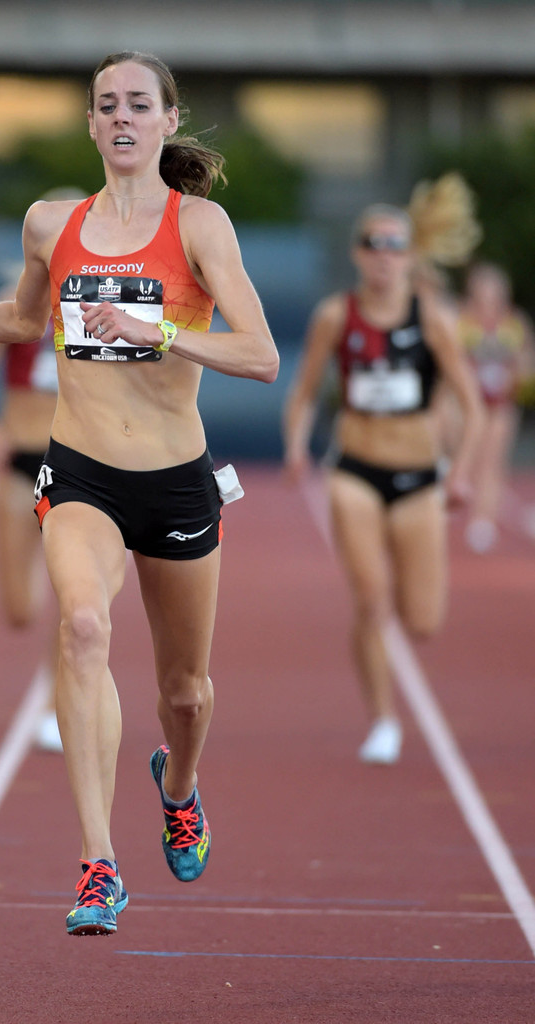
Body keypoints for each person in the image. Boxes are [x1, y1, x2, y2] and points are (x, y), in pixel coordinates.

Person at [0, 51, 279, 936]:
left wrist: (157, 326)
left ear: (167, 121)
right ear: (91, 125)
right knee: (83, 626)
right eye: (106, 105)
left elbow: (260, 356)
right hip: (81, 469)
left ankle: (179, 786)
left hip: (176, 480)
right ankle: (99, 865)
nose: (122, 117)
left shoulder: (200, 226)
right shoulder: (51, 223)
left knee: (188, 692)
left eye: (139, 103)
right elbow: (25, 319)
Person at [283, 177, 485, 767]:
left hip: (420, 475)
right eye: (374, 244)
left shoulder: (434, 318)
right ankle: (383, 719)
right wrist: (297, 445)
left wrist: (463, 472)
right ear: (357, 253)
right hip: (355, 470)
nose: (384, 255)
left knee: (422, 620)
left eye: (395, 245)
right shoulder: (335, 316)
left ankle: (406, 588)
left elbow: (471, 405)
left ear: (410, 256)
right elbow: (301, 393)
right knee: (370, 600)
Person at [0, 193, 85, 753]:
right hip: (18, 464)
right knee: (19, 610)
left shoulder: (96, 304)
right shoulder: (10, 305)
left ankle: (58, 705)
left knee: (73, 603)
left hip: (74, 465)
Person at [454, 262, 535, 553]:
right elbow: (451, 359)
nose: (488, 298)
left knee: (493, 460)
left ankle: (482, 519)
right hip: (470, 404)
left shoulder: (514, 322)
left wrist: (519, 378)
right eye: (483, 292)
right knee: (472, 460)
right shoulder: (462, 319)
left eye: (494, 292)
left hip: (501, 403)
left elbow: (526, 358)